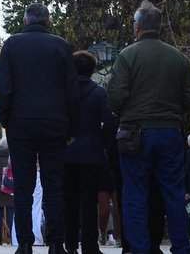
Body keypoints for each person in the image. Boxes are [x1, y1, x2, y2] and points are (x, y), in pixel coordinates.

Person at [107, 1, 190, 254]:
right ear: (160, 28)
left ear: (137, 27)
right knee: (174, 193)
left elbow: (115, 96)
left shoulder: (128, 55)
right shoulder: (178, 57)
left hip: (135, 133)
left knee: (135, 194)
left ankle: (140, 248)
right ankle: (181, 247)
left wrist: (126, 110)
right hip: (170, 130)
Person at [0, 3, 78, 254]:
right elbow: (71, 90)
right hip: (54, 123)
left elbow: (2, 86)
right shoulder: (61, 46)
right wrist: (71, 126)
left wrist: (7, 119)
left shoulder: (12, 45)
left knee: (23, 185)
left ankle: (25, 243)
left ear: (25, 21)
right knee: (54, 185)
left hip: (21, 124)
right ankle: (56, 242)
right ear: (48, 22)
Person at [63, 50, 116, 254]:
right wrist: (101, 141)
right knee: (89, 202)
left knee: (69, 201)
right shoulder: (99, 92)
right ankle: (90, 246)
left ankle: (70, 244)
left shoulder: (63, 92)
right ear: (92, 69)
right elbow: (110, 121)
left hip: (67, 153)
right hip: (91, 154)